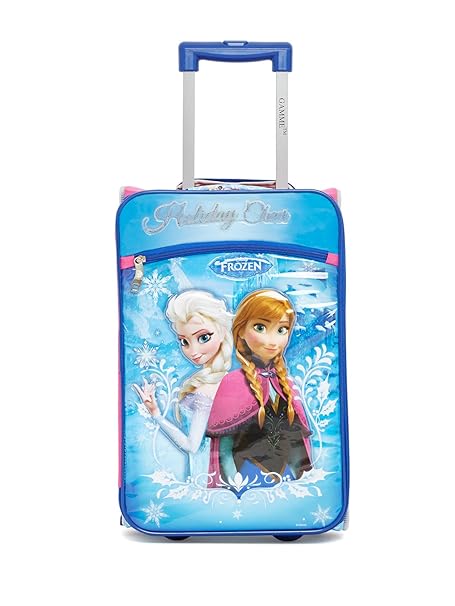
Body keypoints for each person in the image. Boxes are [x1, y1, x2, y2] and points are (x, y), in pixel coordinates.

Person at [206, 289, 312, 494]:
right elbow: (224, 451)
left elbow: (297, 443)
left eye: (282, 329)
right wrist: (234, 486)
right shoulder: (232, 383)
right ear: (241, 331)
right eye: (260, 327)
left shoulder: (285, 384)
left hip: (287, 480)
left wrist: (301, 479)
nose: (273, 341)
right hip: (247, 480)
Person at [132, 290, 233, 478]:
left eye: (203, 337)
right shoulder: (222, 380)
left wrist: (156, 415)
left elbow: (192, 446)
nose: (193, 351)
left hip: (205, 474)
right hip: (215, 471)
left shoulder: (206, 389)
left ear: (222, 332)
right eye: (184, 341)